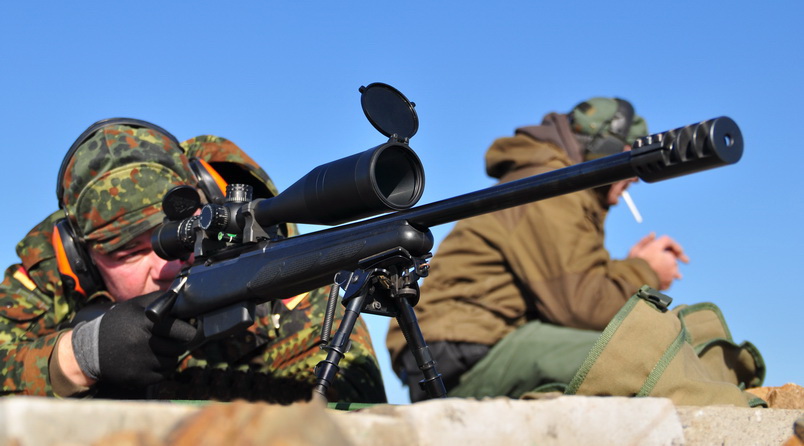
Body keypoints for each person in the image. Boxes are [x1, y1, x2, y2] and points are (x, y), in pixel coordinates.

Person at [0, 118, 386, 403]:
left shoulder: (285, 284)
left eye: (180, 234)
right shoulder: (45, 280)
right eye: (130, 253)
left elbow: (354, 412)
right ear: (82, 260)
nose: (165, 265)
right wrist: (78, 356)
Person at [386, 97, 690, 402]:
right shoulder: (553, 187)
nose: (634, 176)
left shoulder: (558, 183)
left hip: (465, 344)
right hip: (457, 350)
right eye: (628, 156)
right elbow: (580, 305)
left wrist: (632, 265)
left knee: (661, 347)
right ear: (604, 149)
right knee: (647, 361)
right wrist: (647, 271)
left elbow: (574, 282)